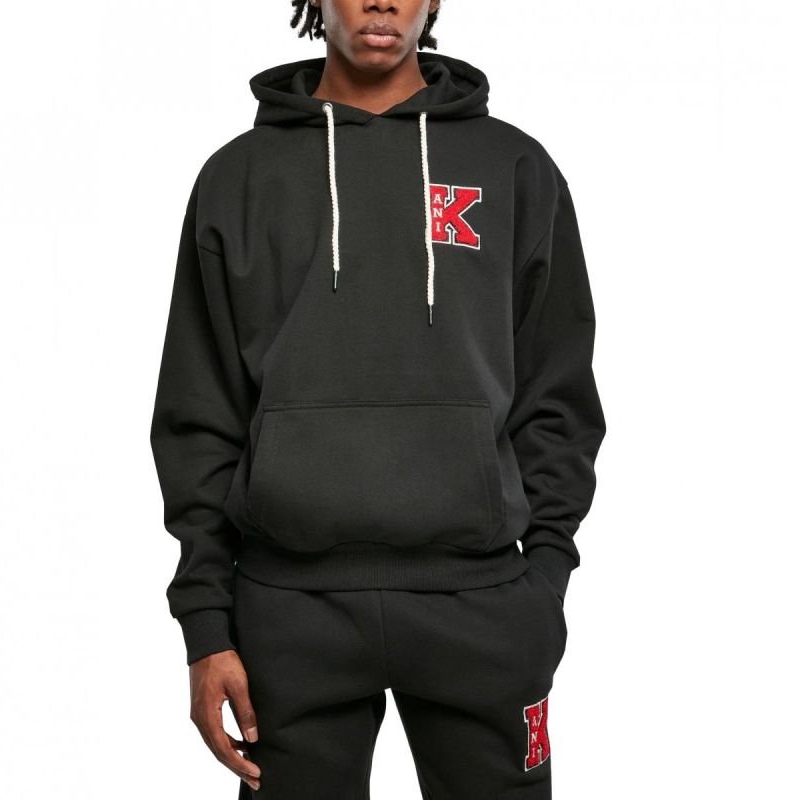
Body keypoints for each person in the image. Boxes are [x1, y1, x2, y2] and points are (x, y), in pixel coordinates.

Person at [149, 1, 606, 797]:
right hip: (289, 611)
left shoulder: (513, 167)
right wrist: (206, 625)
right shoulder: (238, 176)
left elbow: (558, 395)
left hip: (484, 606)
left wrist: (546, 580)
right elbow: (199, 412)